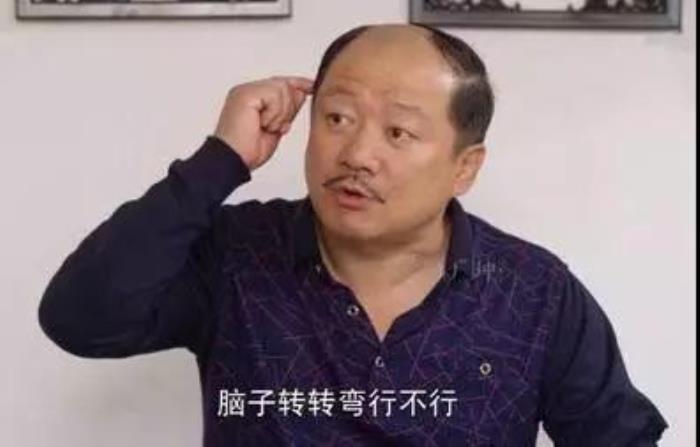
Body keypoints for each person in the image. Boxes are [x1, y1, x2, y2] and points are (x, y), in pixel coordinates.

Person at [38, 23, 668, 446]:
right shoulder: (237, 254)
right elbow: (81, 320)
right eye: (337, 118)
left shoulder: (533, 292)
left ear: (464, 167)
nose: (357, 154)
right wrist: (218, 162)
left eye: (398, 132)